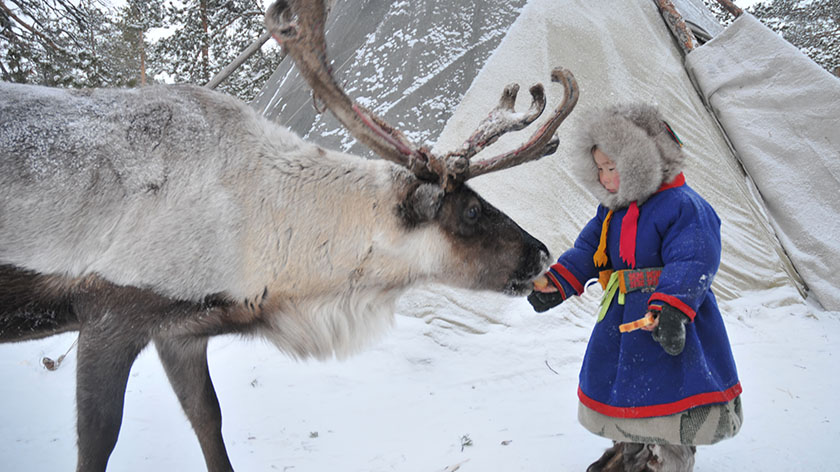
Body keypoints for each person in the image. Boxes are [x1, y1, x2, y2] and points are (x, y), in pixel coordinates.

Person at [528, 103, 742, 472]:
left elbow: (694, 259)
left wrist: (672, 307)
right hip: (624, 320)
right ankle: (630, 453)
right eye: (599, 169)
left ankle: (668, 460)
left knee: (673, 394)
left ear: (642, 159)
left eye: (612, 167)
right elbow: (589, 251)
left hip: (672, 320)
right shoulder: (612, 211)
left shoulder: (684, 206)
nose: (605, 177)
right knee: (626, 388)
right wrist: (558, 282)